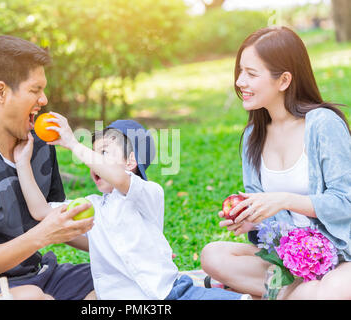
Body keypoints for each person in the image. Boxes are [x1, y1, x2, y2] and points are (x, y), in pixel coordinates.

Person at [14, 114, 251, 300]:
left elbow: (119, 178)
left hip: (172, 294)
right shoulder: (92, 206)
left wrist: (74, 144)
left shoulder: (147, 194)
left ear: (131, 162)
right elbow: (41, 212)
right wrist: (22, 163)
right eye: (93, 154)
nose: (93, 162)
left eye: (103, 152)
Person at [0, 35, 95, 300]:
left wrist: (126, 250)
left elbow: (58, 221)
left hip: (39, 275)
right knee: (32, 297)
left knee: (115, 279)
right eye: (35, 90)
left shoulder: (42, 149)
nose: (44, 99)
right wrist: (42, 235)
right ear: (0, 92)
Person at [200, 26, 351, 299]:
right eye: (240, 71)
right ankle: (292, 291)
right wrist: (252, 222)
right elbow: (273, 224)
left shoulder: (323, 125)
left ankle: (277, 293)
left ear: (283, 80)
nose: (240, 82)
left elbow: (346, 202)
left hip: (343, 254)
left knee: (325, 293)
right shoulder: (252, 138)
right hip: (292, 260)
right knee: (213, 255)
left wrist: (284, 199)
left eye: (251, 74)